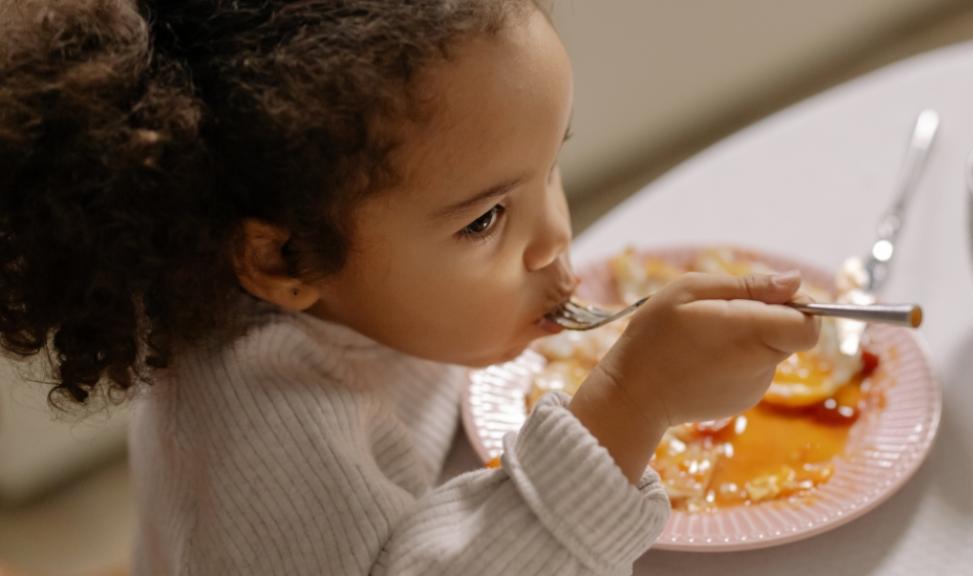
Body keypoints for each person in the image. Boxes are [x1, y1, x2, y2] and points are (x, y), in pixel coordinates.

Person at [0, 0, 820, 574]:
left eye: (552, 169)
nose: (557, 241)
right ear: (286, 261)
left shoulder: (368, 297)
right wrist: (628, 407)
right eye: (486, 220)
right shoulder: (266, 436)